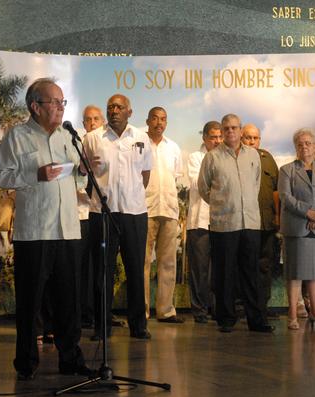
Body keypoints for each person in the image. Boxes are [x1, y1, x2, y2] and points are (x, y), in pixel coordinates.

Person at [0, 78, 89, 380]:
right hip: (34, 233)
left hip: (68, 230)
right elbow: (0, 176)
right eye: (55, 102)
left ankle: (71, 359)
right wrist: (35, 173)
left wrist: (84, 172)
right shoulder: (17, 137)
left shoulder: (68, 138)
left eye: (63, 102)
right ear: (35, 106)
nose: (61, 108)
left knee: (69, 301)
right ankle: (26, 361)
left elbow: (79, 181)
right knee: (30, 301)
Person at [83, 94, 152, 340]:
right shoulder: (92, 139)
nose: (114, 110)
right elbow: (85, 175)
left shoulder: (141, 137)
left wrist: (131, 196)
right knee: (103, 271)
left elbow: (145, 175)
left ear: (129, 112)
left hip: (134, 213)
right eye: (110, 106)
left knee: (135, 270)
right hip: (102, 214)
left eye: (119, 107)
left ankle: (139, 326)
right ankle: (102, 328)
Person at [198, 114, 273, 333]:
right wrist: (222, 203)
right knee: (224, 273)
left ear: (240, 131)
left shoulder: (253, 155)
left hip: (250, 222)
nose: (231, 132)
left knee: (251, 272)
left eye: (234, 128)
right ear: (222, 131)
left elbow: (256, 183)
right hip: (224, 223)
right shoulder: (212, 157)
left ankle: (256, 320)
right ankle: (226, 319)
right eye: (226, 128)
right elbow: (204, 188)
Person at [279, 128, 315, 330]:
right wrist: (308, 213)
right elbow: (286, 198)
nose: (304, 146)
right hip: (297, 228)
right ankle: (293, 315)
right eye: (300, 144)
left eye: (308, 143)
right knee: (295, 273)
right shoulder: (287, 170)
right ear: (296, 147)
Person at [143, 107, 184, 323]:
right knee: (143, 262)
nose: (159, 123)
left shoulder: (173, 147)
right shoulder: (139, 144)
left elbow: (175, 178)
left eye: (163, 119)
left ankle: (166, 310)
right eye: (155, 119)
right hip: (145, 209)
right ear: (147, 120)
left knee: (168, 263)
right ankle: (142, 311)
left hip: (168, 209)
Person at [241, 124, 280, 318]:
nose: (251, 141)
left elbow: (276, 190)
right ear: (241, 138)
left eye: (255, 138)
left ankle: (262, 305)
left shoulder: (268, 158)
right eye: (247, 137)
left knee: (265, 265)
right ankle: (242, 307)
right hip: (244, 223)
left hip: (266, 223)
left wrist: (277, 216)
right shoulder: (236, 157)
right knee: (244, 265)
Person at [187, 121, 222, 323]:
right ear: (205, 138)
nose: (217, 141)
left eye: (219, 137)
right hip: (200, 220)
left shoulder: (227, 157)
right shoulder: (195, 157)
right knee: (199, 269)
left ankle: (218, 310)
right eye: (212, 137)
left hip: (222, 221)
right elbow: (197, 184)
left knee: (219, 268)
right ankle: (199, 310)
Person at [79, 105, 106, 328]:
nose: (92, 123)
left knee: (99, 267)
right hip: (79, 214)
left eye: (96, 119)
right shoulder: (78, 145)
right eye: (88, 120)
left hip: (99, 213)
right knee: (82, 266)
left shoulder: (107, 146)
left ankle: (99, 313)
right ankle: (83, 313)